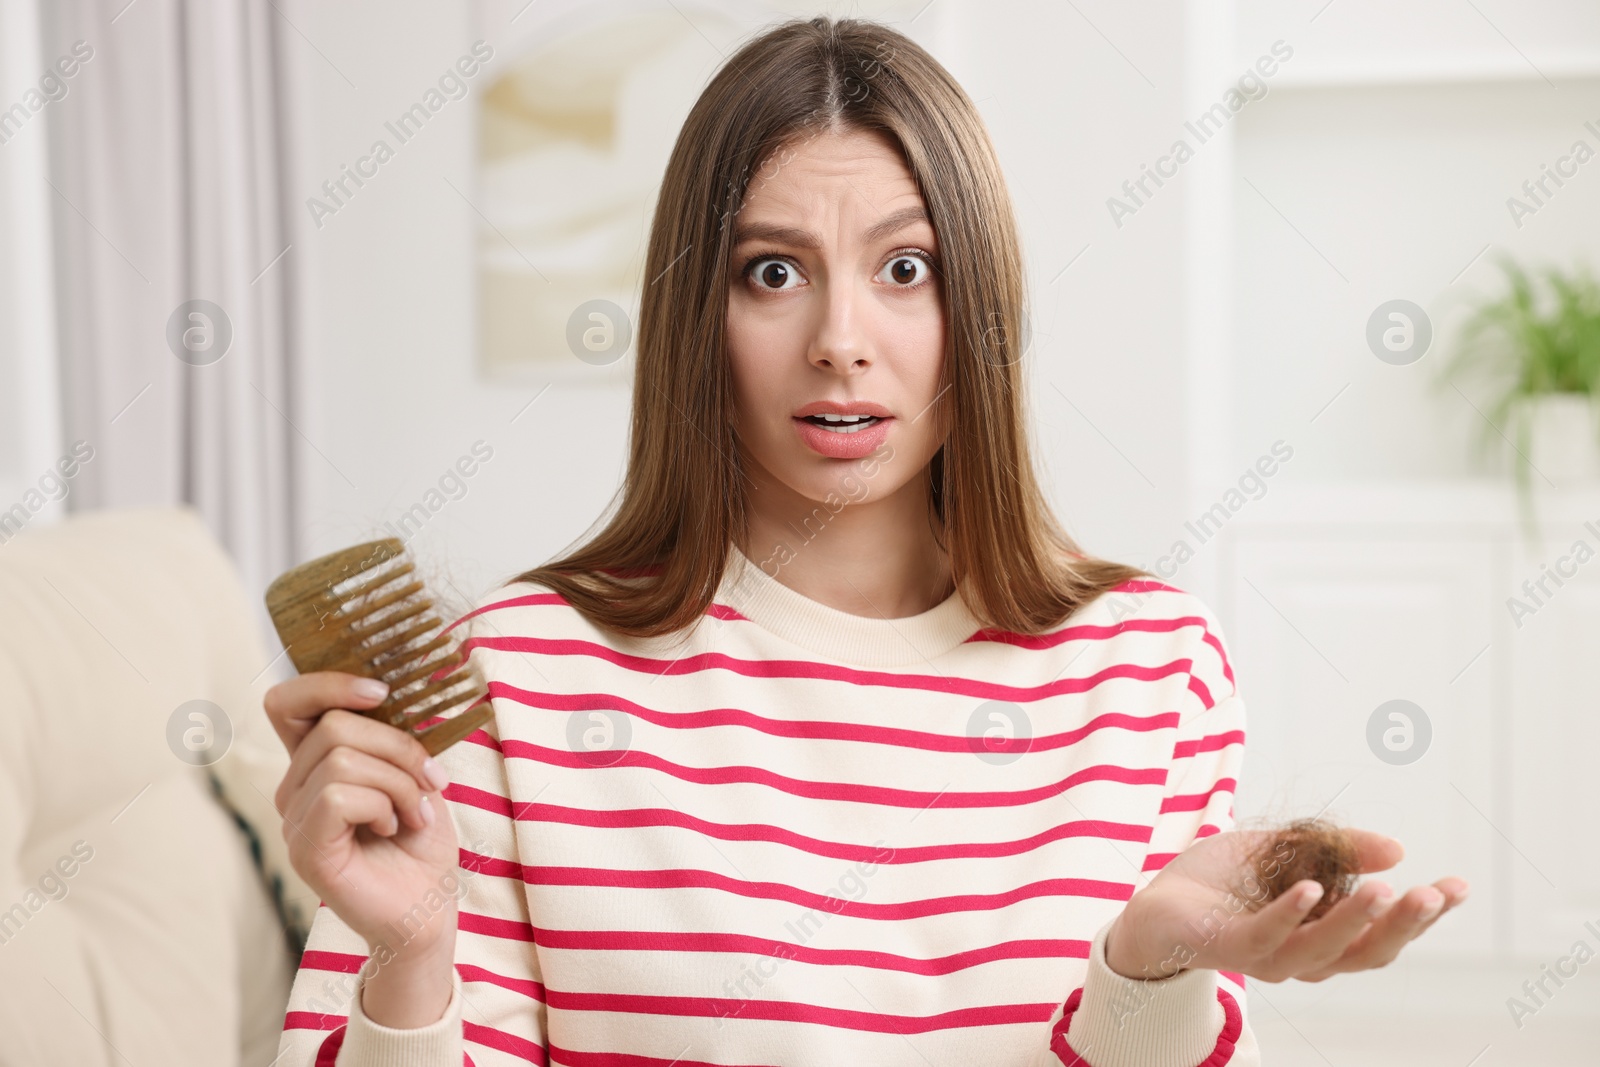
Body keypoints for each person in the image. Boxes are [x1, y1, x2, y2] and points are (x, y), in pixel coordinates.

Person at [269, 16, 1468, 1066]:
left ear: (977, 306)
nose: (841, 337)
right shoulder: (519, 674)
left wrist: (1146, 971)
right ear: (698, 314)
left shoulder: (1149, 667)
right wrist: (414, 959)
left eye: (905, 268)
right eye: (772, 270)